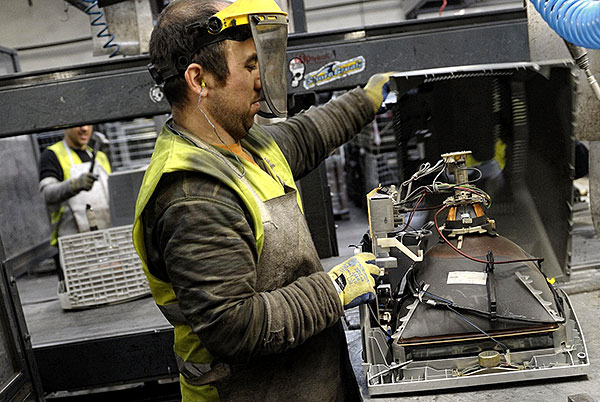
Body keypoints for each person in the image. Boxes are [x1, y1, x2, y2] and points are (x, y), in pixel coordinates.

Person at [133, 0, 393, 400]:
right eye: (250, 65)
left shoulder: (244, 141)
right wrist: (336, 286)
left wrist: (367, 99)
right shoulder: (192, 193)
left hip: (308, 381)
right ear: (199, 79)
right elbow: (235, 326)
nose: (262, 79)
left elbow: (309, 133)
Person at [39, 124, 112, 247]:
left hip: (108, 236)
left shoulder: (100, 157)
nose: (85, 128)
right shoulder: (52, 155)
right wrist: (75, 184)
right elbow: (47, 194)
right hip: (74, 244)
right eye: (78, 124)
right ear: (65, 126)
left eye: (88, 124)